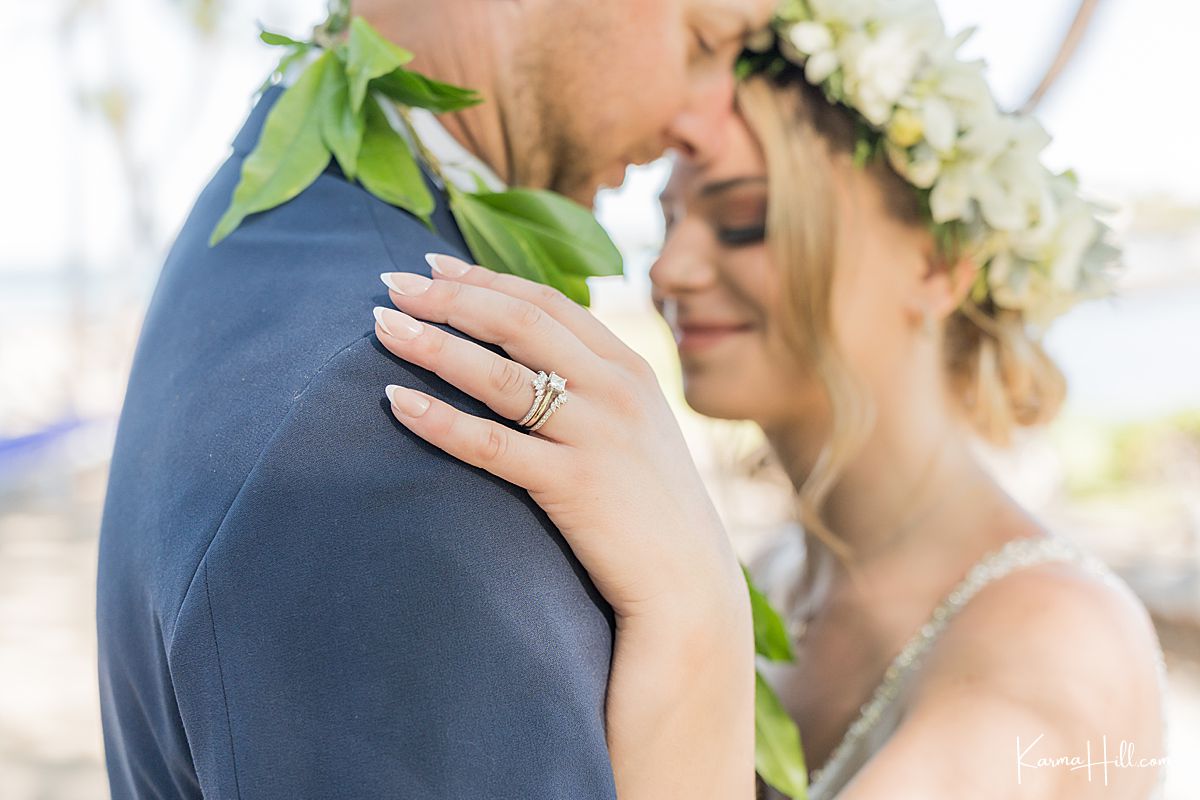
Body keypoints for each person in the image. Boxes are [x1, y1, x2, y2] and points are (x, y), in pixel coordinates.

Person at [370, 6, 1169, 800]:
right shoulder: (779, 574)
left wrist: (692, 612)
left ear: (939, 262)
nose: (669, 270)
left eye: (745, 219)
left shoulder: (1059, 644)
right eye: (668, 220)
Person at [95, 0, 774, 797]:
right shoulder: (394, 430)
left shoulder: (263, 225)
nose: (706, 121)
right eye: (703, 40)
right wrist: (703, 624)